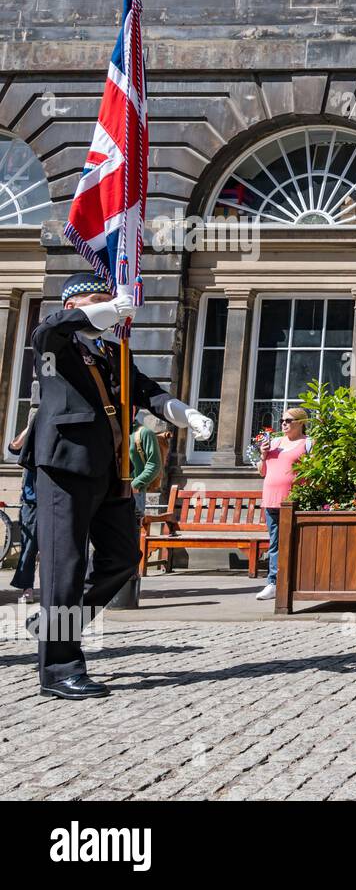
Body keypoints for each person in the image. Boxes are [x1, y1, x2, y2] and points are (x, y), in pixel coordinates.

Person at [23, 273, 213, 699]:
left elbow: (147, 392)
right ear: (74, 305)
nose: (111, 308)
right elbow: (49, 328)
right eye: (98, 301)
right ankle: (59, 670)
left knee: (123, 559)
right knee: (64, 569)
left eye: (112, 301)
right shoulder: (54, 343)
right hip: (66, 466)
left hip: (113, 470)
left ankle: (50, 625)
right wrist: (105, 308)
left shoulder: (113, 350)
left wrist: (184, 413)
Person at [255, 407, 311, 601]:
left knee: (296, 542)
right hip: (271, 499)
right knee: (275, 543)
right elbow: (262, 472)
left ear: (301, 423)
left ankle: (293, 582)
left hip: (293, 501)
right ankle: (273, 583)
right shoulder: (275, 443)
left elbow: (313, 473)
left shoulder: (308, 444)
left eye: (288, 420)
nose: (284, 423)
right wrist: (262, 455)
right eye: (282, 420)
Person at [7, 415, 38, 603]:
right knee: (29, 546)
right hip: (32, 499)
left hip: (56, 497)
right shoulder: (32, 436)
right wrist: (31, 424)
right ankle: (27, 587)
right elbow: (14, 446)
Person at [128, 414, 162, 523]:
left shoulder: (143, 433)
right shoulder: (114, 431)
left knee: (132, 533)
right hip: (109, 492)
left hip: (134, 495)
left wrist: (135, 484)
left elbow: (154, 464)